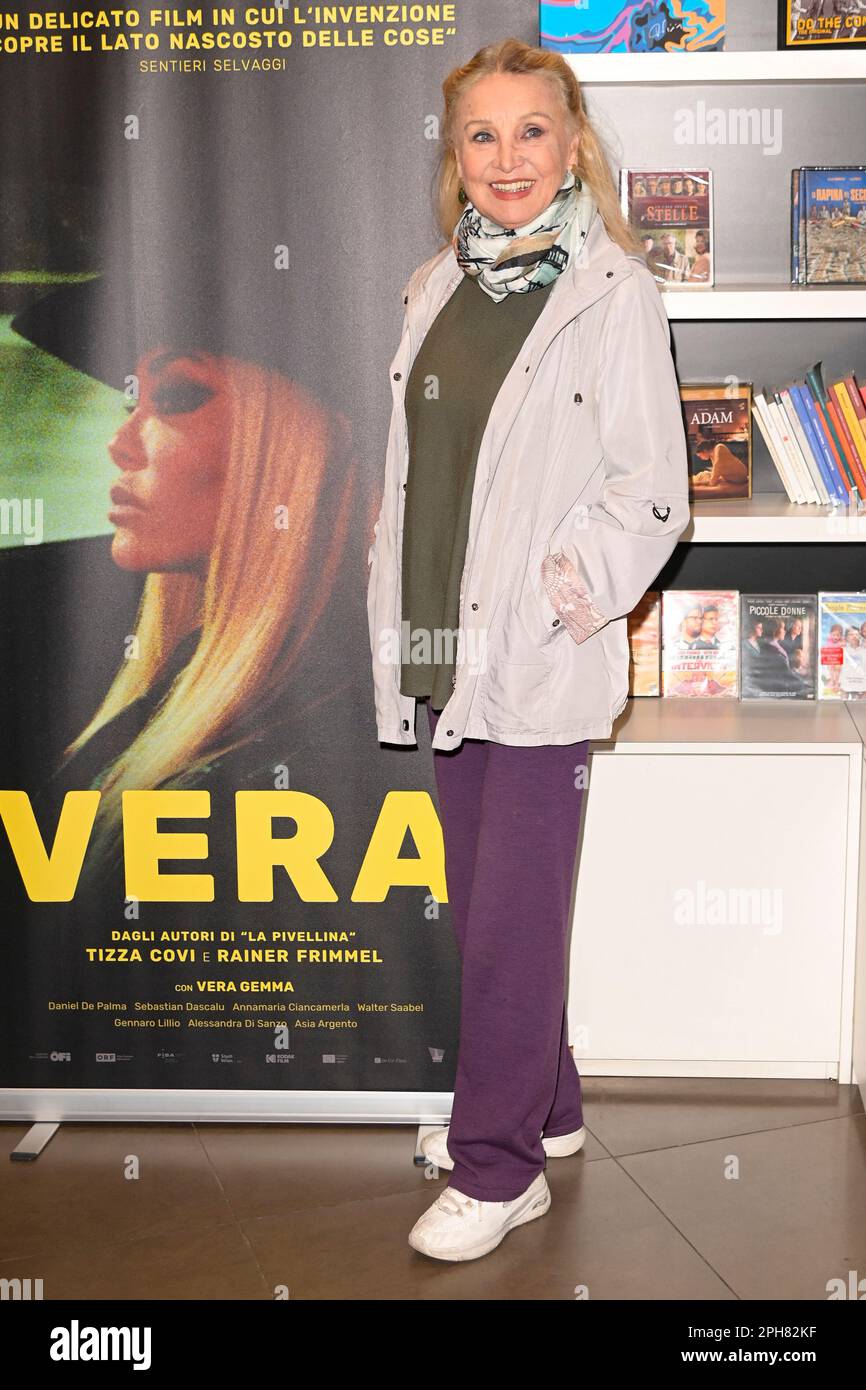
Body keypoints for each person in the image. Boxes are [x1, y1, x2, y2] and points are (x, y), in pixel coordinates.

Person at [366, 36, 690, 1262]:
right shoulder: (432, 284)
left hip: (537, 657)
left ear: (572, 144)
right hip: (440, 645)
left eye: (530, 130)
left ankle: (497, 1168)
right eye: (481, 135)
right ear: (454, 156)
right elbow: (422, 471)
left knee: (507, 920)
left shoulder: (613, 293)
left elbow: (651, 493)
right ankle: (547, 1108)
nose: (507, 158)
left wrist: (556, 600)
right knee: (489, 910)